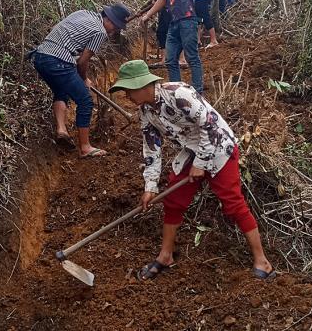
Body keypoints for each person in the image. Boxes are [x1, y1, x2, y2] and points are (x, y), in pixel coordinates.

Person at [109, 60, 275, 282]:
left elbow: (210, 124)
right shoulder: (145, 113)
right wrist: (150, 187)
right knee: (173, 201)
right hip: (191, 150)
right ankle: (165, 256)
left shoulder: (179, 93)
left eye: (128, 90)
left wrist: (201, 163)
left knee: (233, 204)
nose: (127, 96)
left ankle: (262, 260)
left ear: (142, 85)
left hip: (218, 147)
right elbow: (151, 150)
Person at [31, 3, 131, 157]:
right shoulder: (100, 32)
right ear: (109, 20)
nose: (114, 31)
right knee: (85, 100)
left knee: (61, 90)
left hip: (40, 56)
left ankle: (62, 130)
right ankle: (85, 147)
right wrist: (84, 79)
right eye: (116, 27)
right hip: (58, 61)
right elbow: (83, 62)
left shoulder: (83, 13)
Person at [141, 0, 203, 94]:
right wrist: (147, 15)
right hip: (174, 22)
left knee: (191, 56)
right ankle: (178, 91)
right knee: (170, 60)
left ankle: (198, 92)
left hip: (188, 19)